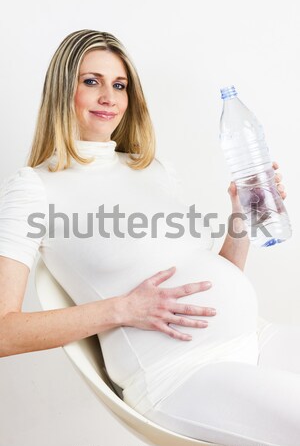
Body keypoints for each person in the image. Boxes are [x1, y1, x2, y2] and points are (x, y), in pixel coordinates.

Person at [0, 29, 298, 446]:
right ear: (62, 90)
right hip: (182, 374)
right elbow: (4, 333)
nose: (109, 97)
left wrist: (240, 218)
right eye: (92, 82)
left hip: (253, 336)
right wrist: (122, 309)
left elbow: (213, 277)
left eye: (119, 85)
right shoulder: (34, 188)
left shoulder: (152, 169)